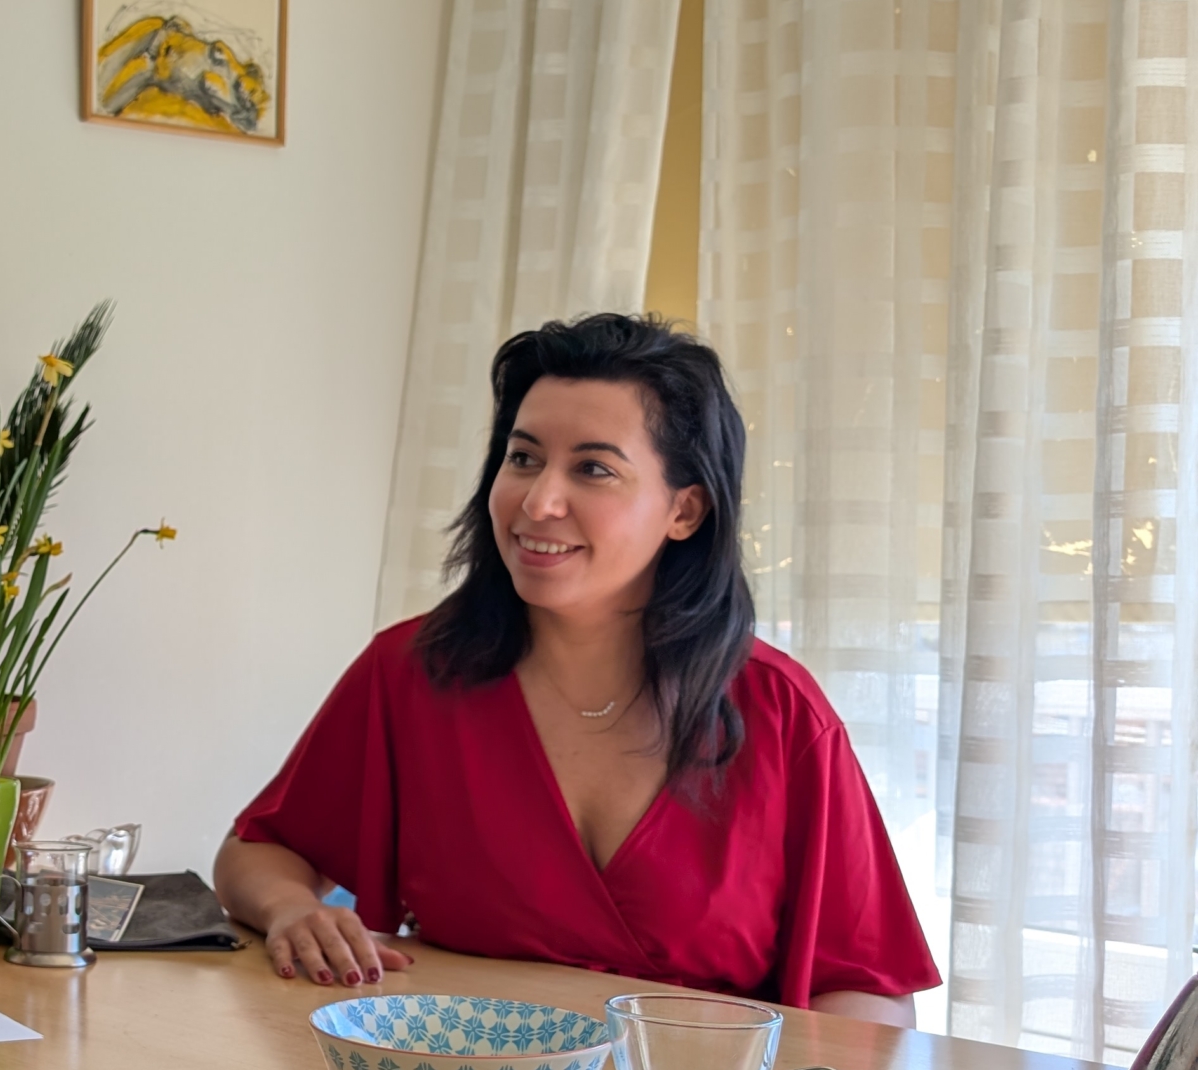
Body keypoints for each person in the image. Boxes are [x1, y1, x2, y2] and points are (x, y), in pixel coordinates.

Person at [215, 314, 939, 1025]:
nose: (538, 501)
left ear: (684, 510)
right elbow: (259, 849)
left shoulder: (780, 710)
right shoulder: (410, 671)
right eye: (523, 457)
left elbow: (867, 991)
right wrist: (294, 910)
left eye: (592, 468)